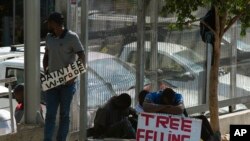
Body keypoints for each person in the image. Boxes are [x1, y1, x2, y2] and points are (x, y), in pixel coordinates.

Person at [43, 12, 85, 141]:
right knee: (50, 114)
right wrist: (45, 68)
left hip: (67, 83)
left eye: (49, 22)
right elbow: (46, 54)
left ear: (55, 23)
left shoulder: (72, 37)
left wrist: (72, 76)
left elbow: (82, 57)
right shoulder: (49, 37)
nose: (48, 25)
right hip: (52, 81)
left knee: (64, 115)